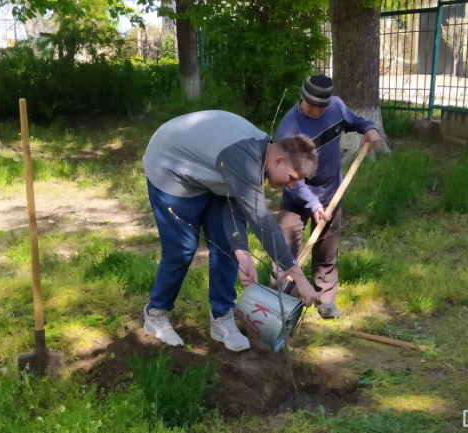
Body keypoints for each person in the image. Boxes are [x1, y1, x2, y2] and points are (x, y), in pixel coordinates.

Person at [141, 110, 320, 352]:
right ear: (279, 161)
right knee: (181, 249)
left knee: (226, 246)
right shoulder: (243, 158)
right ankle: (156, 314)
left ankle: (222, 317)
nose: (289, 186)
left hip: (207, 169)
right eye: (291, 178)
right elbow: (261, 220)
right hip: (170, 167)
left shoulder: (261, 157)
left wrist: (242, 253)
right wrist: (300, 278)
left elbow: (236, 204)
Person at [270, 75, 379, 319]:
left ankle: (325, 299)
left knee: (327, 250)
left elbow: (355, 121)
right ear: (302, 97)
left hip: (332, 192)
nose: (317, 111)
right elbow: (291, 178)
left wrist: (369, 127)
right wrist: (313, 204)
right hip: (297, 196)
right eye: (312, 105)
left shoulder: (336, 107)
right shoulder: (289, 128)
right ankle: (282, 300)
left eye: (322, 106)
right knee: (286, 248)